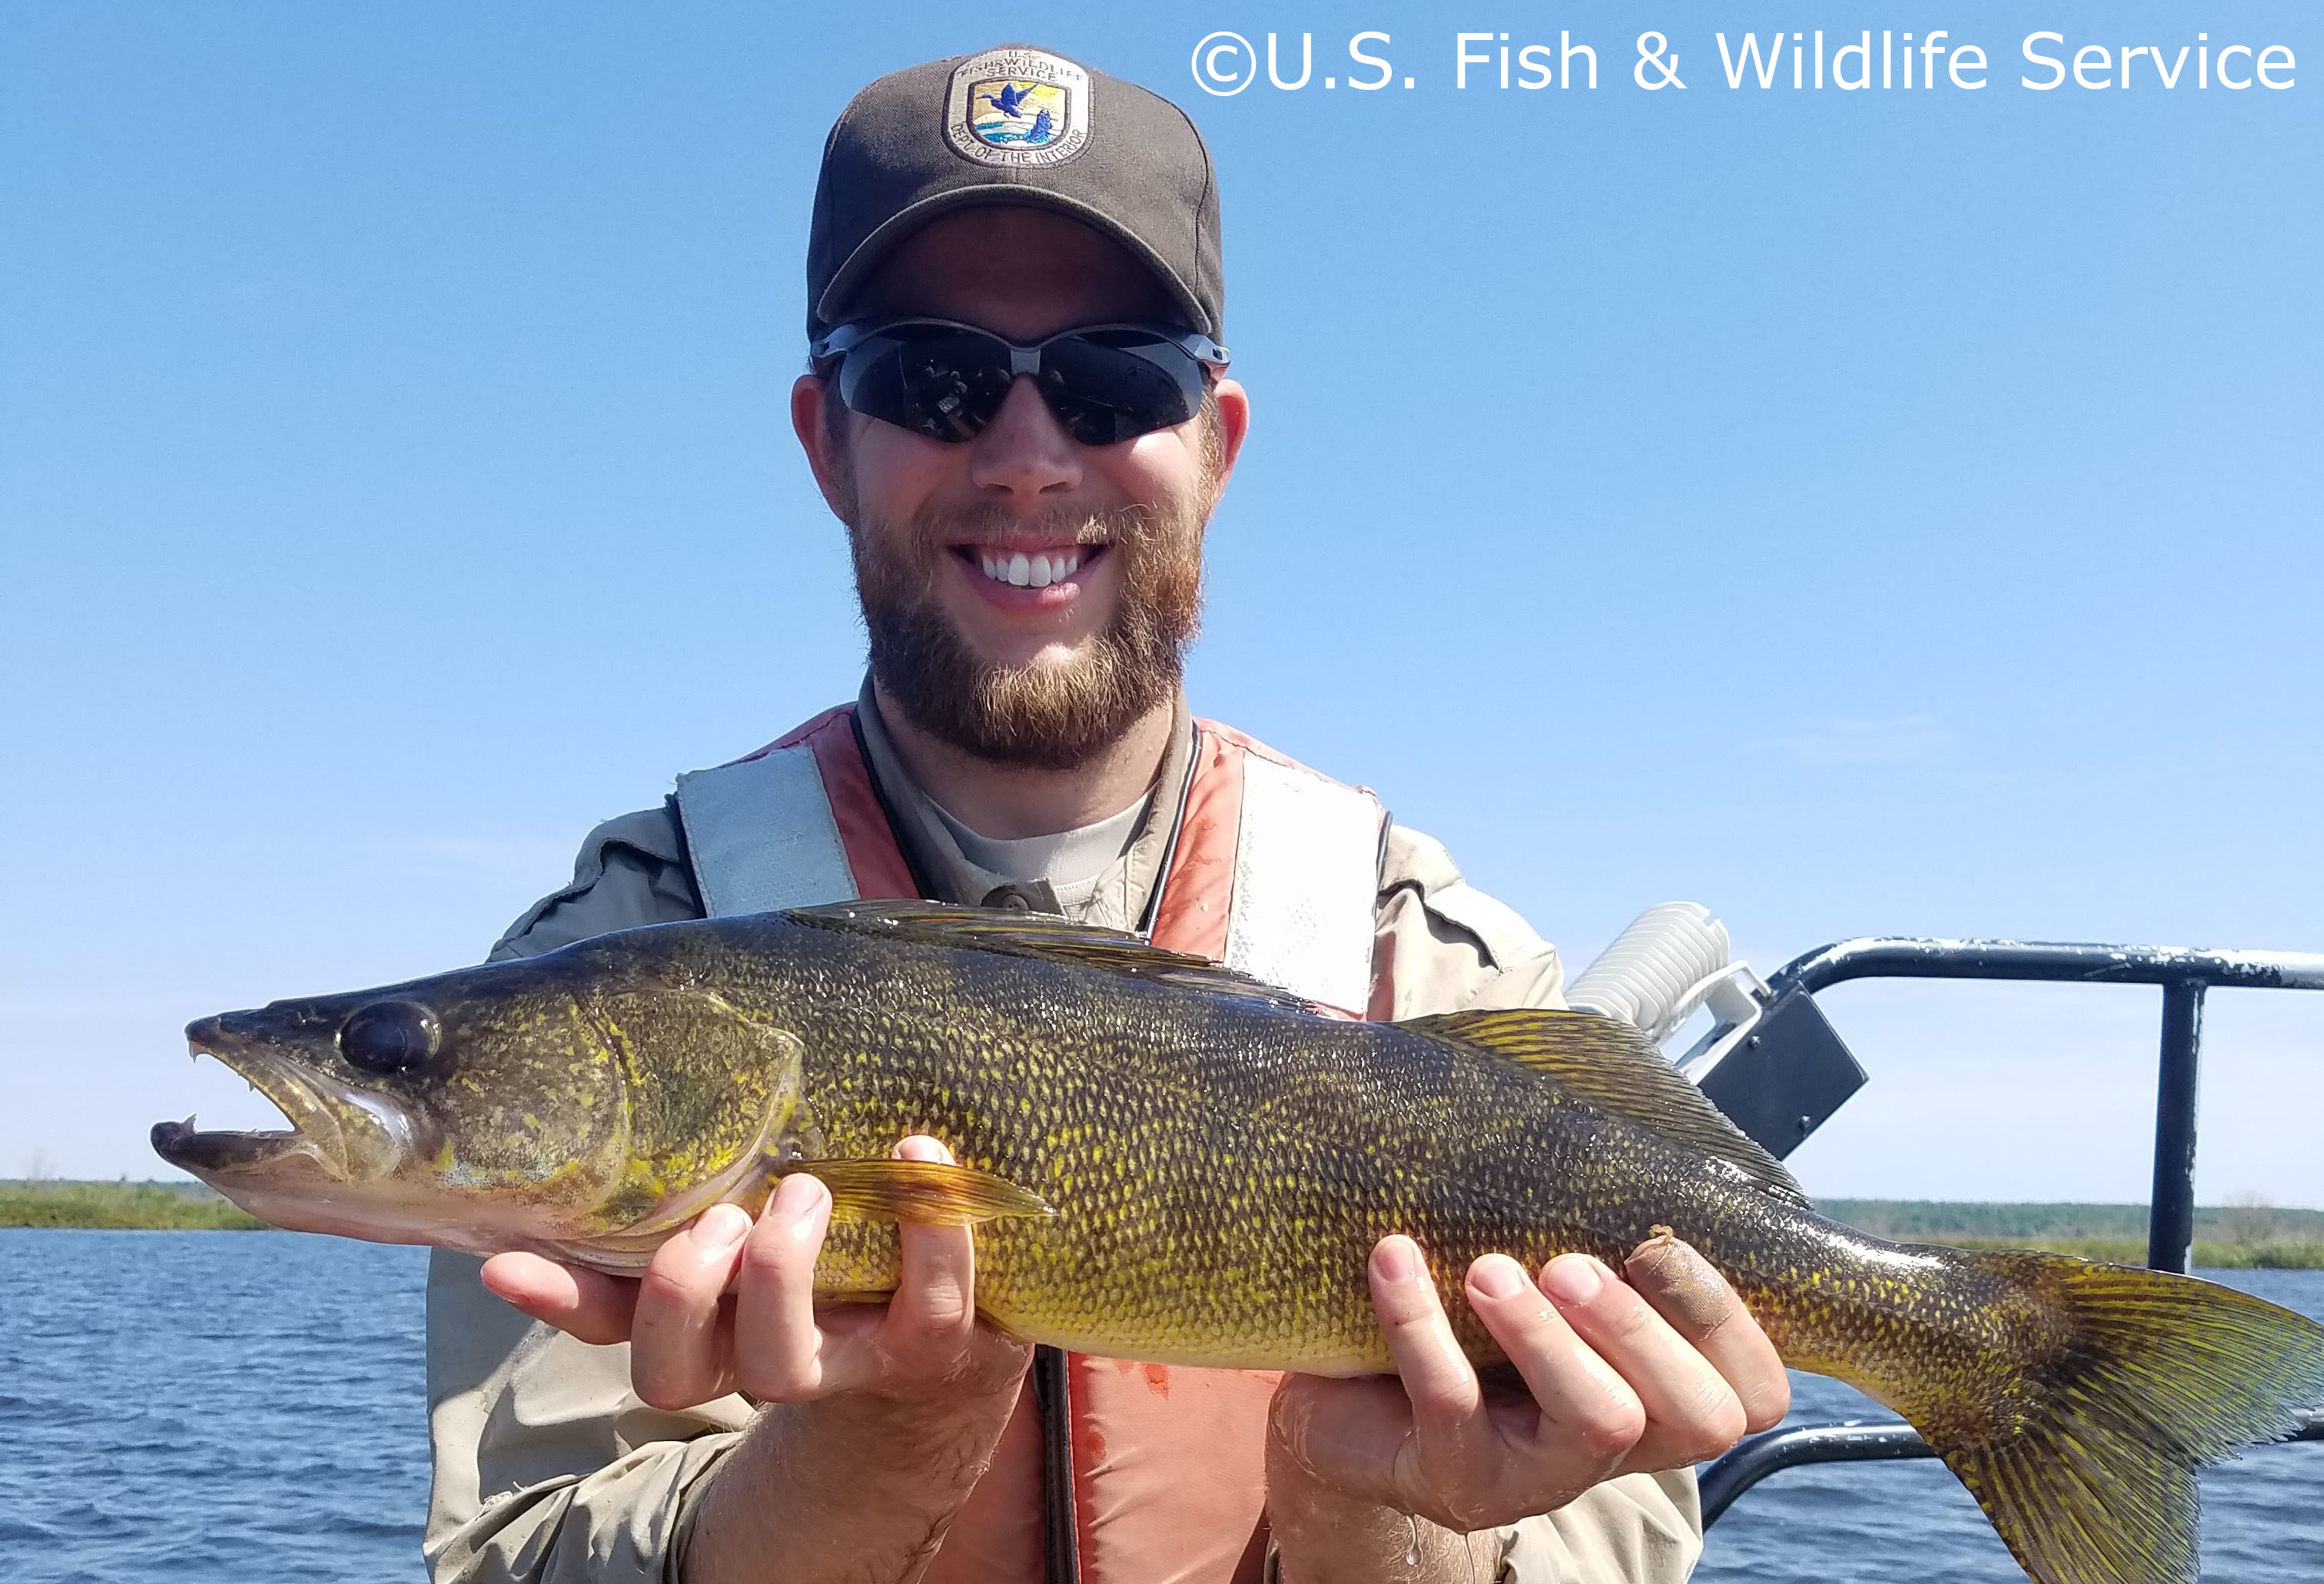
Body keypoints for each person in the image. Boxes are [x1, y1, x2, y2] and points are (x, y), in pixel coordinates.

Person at [424, 45, 1790, 1584]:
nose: (1026, 452)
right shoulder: (625, 956)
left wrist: (1367, 1507)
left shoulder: (1443, 967)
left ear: (1217, 444)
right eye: (930, 375)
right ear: (826, 442)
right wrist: (878, 1440)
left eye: (1115, 377)